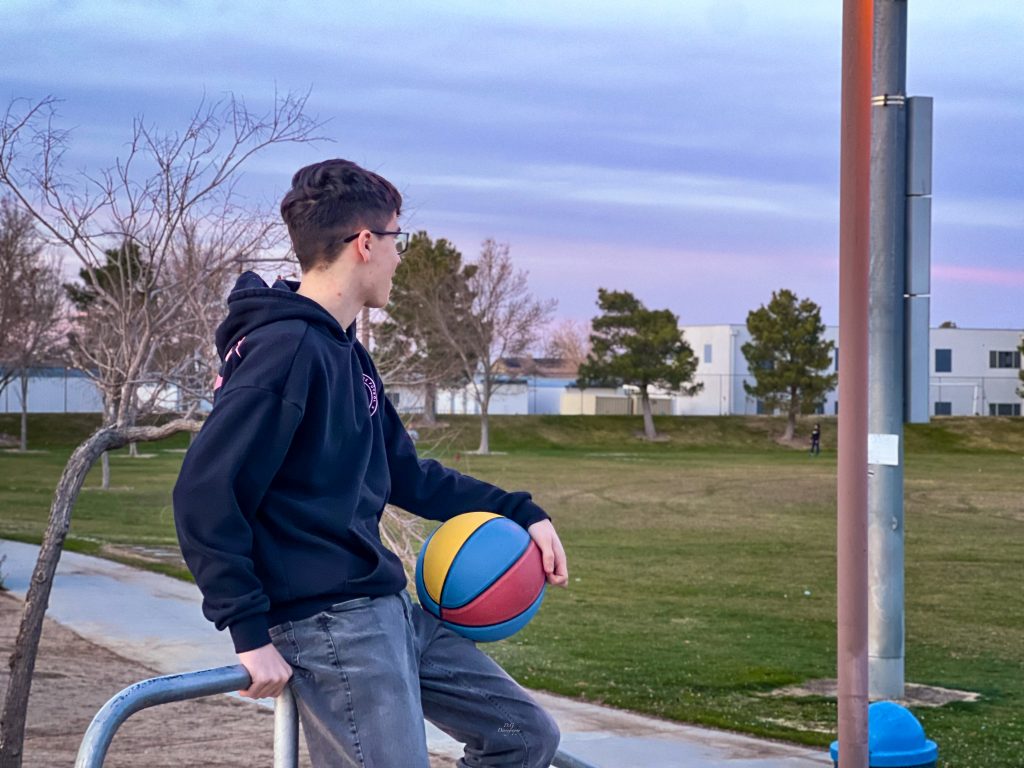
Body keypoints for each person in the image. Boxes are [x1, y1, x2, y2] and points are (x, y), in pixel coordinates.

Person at [173, 158, 567, 767]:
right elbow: (205, 492)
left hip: (387, 611)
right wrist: (249, 635)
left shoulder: (345, 352)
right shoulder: (287, 351)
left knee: (524, 735)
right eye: (396, 240)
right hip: (330, 626)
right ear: (364, 243)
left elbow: (405, 474)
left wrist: (520, 511)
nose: (399, 257)